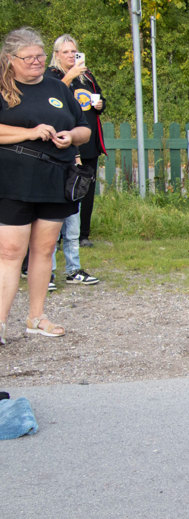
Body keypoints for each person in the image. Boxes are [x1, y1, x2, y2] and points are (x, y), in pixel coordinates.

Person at [0, 27, 90, 342]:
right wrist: (29, 132)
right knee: (10, 252)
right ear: (10, 59)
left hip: (55, 179)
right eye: (28, 58)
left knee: (45, 249)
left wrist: (71, 136)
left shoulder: (57, 87)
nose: (36, 61)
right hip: (12, 182)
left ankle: (36, 317)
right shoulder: (3, 88)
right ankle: (0, 322)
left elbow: (84, 129)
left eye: (40, 55)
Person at [46, 34, 102, 284]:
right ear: (56, 54)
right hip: (53, 151)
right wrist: (70, 76)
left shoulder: (85, 77)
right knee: (50, 215)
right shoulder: (50, 77)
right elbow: (51, 102)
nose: (71, 56)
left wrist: (99, 104)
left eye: (74, 51)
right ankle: (46, 270)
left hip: (78, 148)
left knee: (74, 211)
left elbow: (84, 113)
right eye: (66, 52)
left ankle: (73, 268)